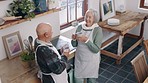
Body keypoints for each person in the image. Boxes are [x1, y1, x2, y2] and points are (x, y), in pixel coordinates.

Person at [71, 9, 103, 83]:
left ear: (94, 19)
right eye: (86, 16)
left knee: (91, 81)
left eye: (90, 17)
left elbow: (96, 49)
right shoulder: (80, 27)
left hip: (91, 61)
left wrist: (86, 40)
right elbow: (74, 45)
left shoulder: (97, 30)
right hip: (80, 60)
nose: (87, 19)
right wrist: (74, 39)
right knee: (77, 80)